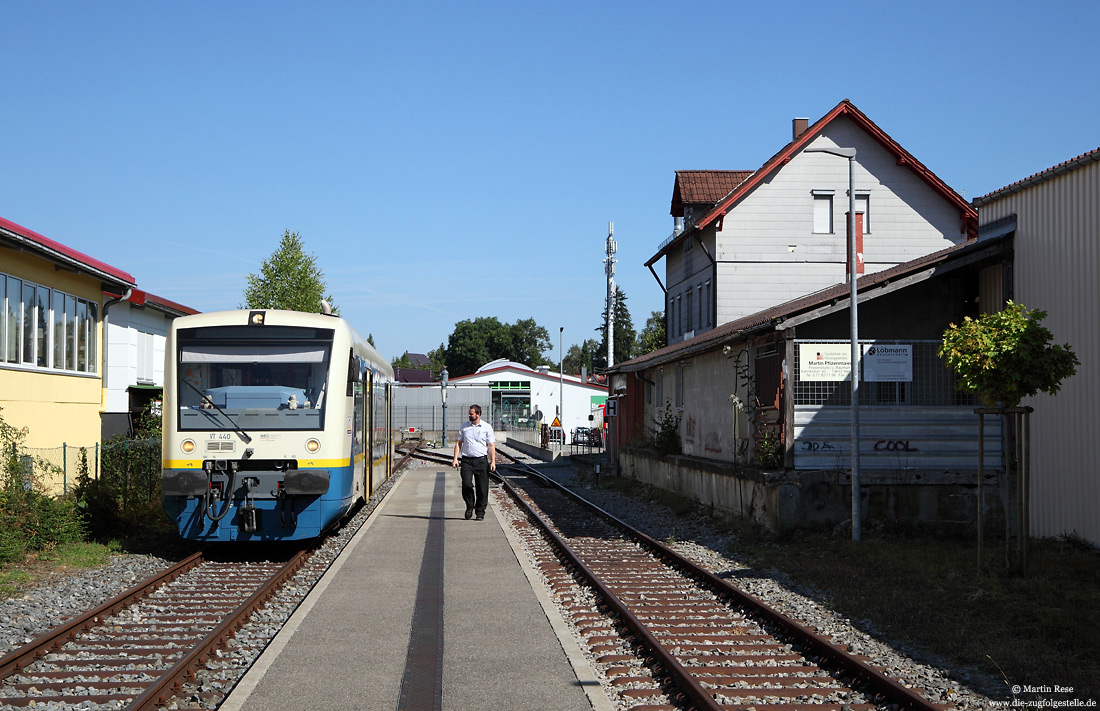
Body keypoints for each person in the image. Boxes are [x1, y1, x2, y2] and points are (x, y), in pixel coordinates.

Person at [451, 404, 496, 520]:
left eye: (471, 414)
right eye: (469, 413)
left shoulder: (486, 427)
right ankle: (469, 506)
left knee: (482, 488)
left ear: (478, 414)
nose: (469, 415)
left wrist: (492, 462)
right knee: (466, 484)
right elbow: (458, 443)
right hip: (467, 460)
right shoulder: (464, 426)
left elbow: (491, 445)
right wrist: (455, 458)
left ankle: (480, 511)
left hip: (481, 460)